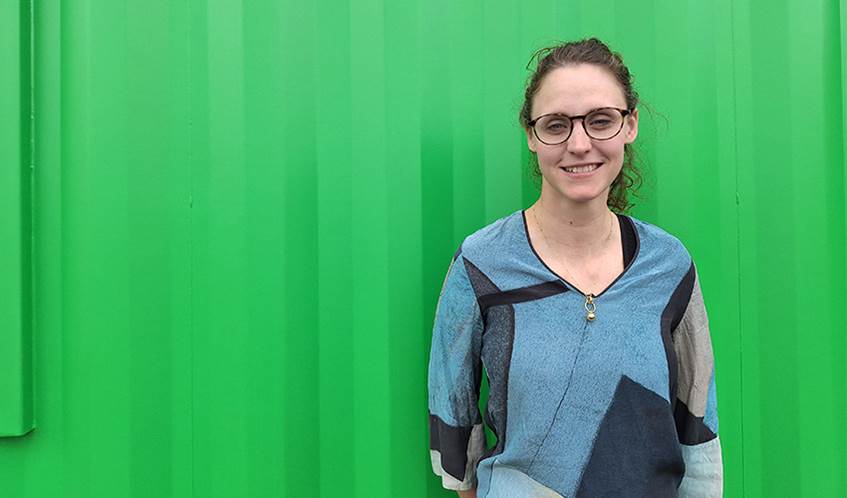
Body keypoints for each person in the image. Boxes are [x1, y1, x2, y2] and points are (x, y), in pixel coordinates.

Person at [427, 38, 723, 498]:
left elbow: (698, 428)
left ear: (631, 125)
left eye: (601, 120)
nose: (579, 144)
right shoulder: (481, 264)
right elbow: (454, 426)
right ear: (531, 135)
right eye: (557, 125)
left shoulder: (669, 267)